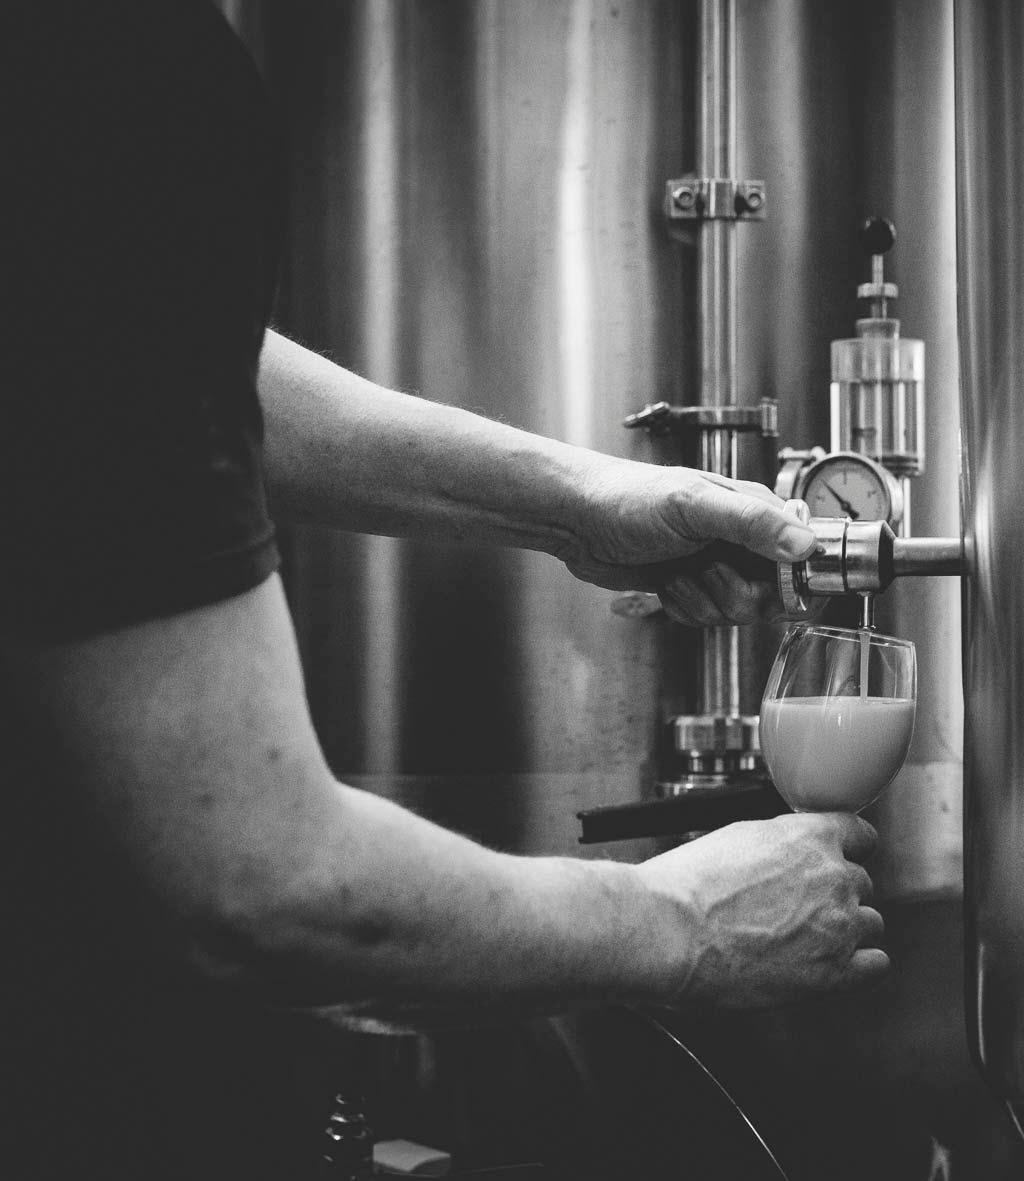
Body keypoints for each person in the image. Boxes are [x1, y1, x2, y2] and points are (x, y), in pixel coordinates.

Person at [0, 2, 885, 1176]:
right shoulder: (103, 63)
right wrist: (678, 922)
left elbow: (143, 348)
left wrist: (574, 497)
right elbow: (260, 888)